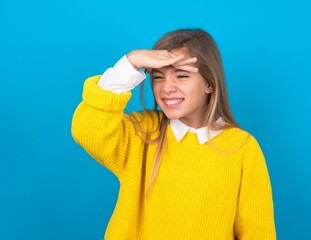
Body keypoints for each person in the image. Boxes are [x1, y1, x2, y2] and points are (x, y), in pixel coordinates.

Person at [71, 28, 276, 239]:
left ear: (209, 83)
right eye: (159, 77)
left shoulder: (242, 148)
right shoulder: (143, 134)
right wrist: (130, 62)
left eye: (182, 75)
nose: (167, 87)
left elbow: (258, 232)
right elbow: (87, 128)